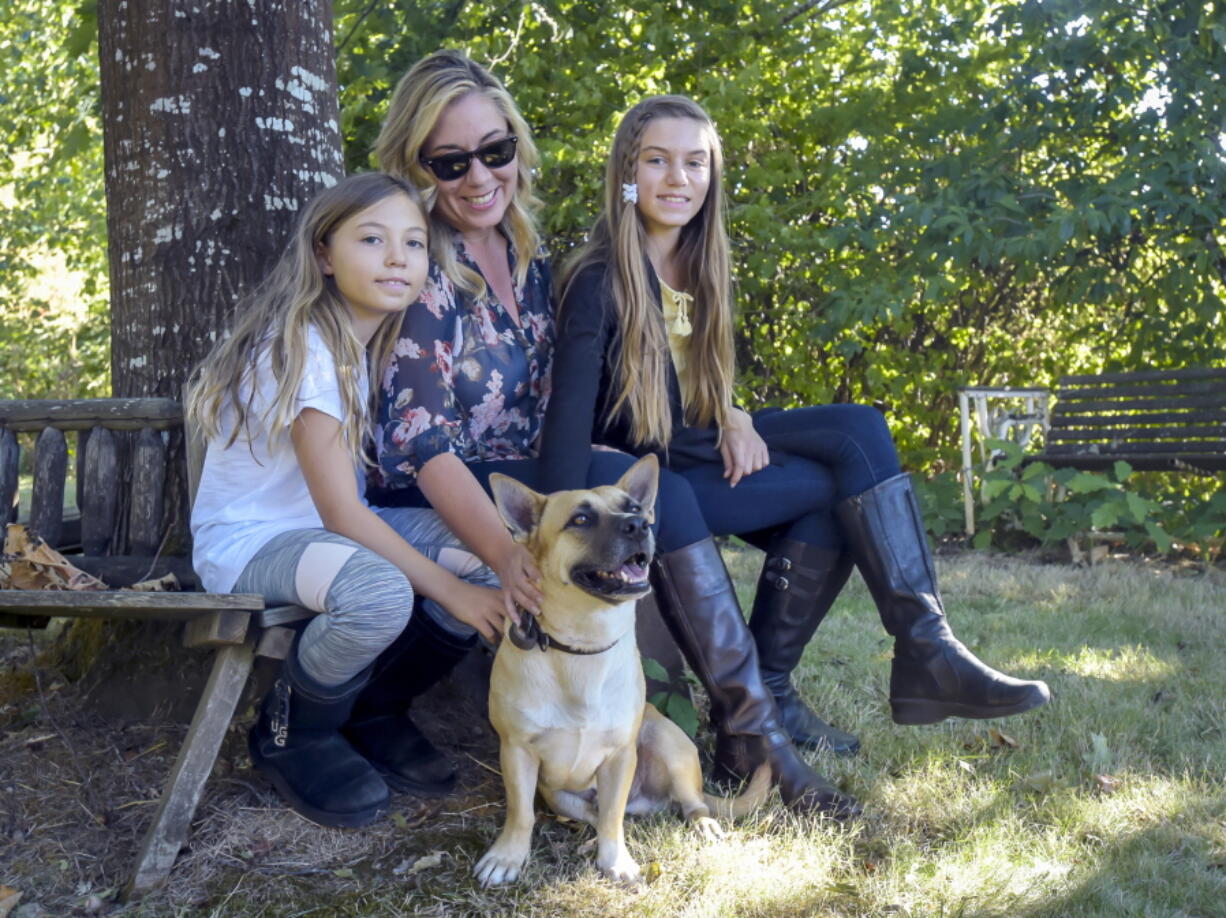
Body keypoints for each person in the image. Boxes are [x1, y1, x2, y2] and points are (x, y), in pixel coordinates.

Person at [370, 51, 856, 816]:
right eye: (450, 161)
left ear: (517, 150)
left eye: (495, 152)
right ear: (419, 165)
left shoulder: (531, 256)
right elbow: (426, 446)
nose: (477, 177)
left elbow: (613, 383)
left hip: (541, 478)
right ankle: (755, 731)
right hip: (455, 494)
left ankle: (755, 716)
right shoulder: (417, 262)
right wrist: (510, 553)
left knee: (682, 480)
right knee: (640, 487)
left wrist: (730, 411)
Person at [541, 96, 1050, 758]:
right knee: (844, 487)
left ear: (713, 177)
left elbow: (698, 380)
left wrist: (734, 412)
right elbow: (568, 413)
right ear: (628, 173)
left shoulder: (702, 265)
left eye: (696, 163)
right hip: (665, 478)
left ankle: (915, 650)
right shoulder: (599, 276)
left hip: (702, 445)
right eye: (658, 160)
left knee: (857, 433)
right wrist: (549, 527)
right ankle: (827, 679)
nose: (678, 179)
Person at [188, 173, 508, 829]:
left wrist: (472, 576)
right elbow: (343, 514)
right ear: (324, 255)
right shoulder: (305, 344)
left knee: (484, 552)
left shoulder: (357, 344)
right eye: (373, 239)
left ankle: (374, 709)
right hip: (252, 544)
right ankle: (295, 732)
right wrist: (455, 595)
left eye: (414, 243)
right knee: (380, 592)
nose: (398, 257)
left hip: (318, 537)